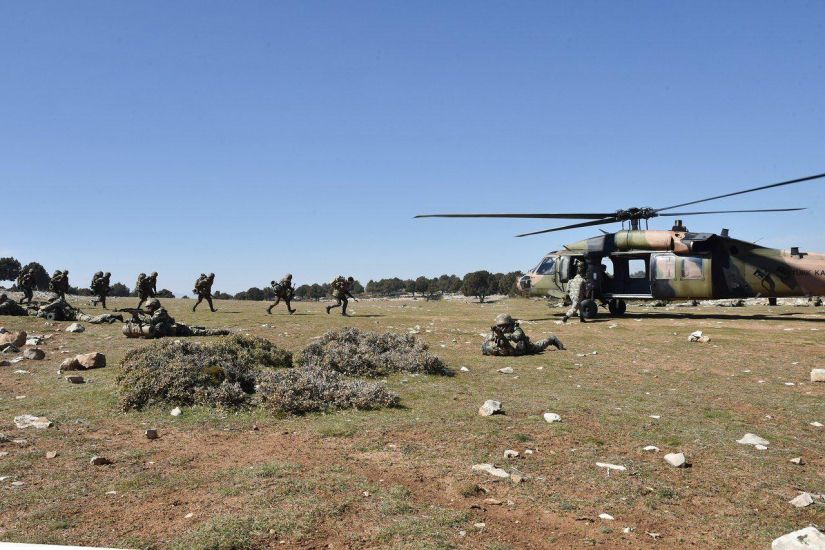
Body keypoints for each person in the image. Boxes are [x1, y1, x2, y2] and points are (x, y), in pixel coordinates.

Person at [123, 298, 229, 338]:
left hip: (178, 329)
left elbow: (152, 321)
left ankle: (222, 331)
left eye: (149, 307)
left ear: (154, 306)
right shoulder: (154, 312)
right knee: (198, 328)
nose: (147, 308)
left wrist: (139, 315)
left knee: (201, 332)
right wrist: (134, 317)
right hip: (173, 327)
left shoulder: (160, 311)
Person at [482, 313, 565, 356]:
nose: (502, 328)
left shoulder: (516, 328)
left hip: (526, 345)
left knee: (538, 347)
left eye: (504, 326)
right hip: (511, 346)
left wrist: (505, 336)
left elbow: (516, 337)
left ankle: (551, 339)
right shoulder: (497, 331)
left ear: (510, 324)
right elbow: (485, 344)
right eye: (500, 326)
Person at [35, 297, 123, 324]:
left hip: (76, 315)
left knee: (91, 320)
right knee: (92, 317)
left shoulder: (59, 301)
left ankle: (111, 316)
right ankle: (111, 318)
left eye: (51, 302)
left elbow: (48, 307)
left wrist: (43, 307)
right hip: (76, 314)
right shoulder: (58, 306)